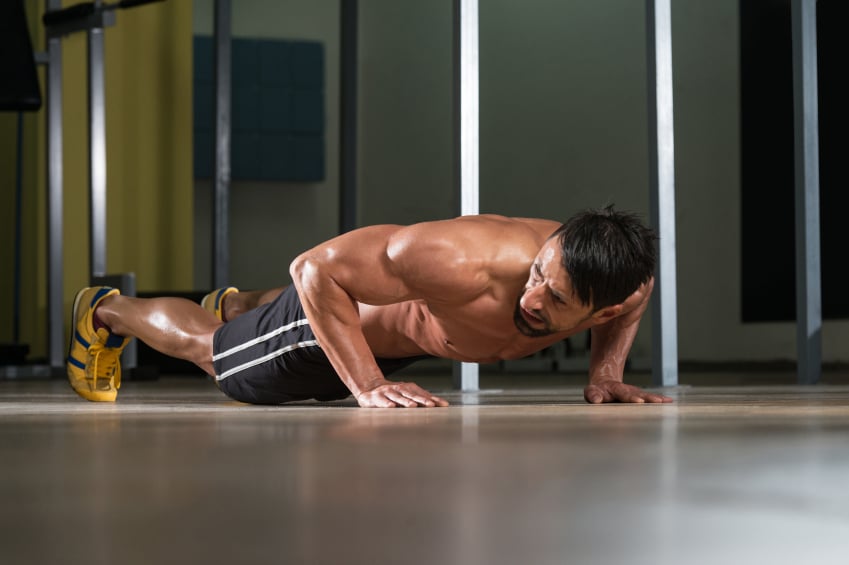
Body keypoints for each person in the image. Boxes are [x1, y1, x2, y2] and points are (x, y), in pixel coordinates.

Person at [66, 206, 673, 407]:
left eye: (557, 299)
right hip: (335, 332)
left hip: (400, 342)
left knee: (259, 321)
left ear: (602, 310)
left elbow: (632, 304)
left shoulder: (625, 284)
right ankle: (107, 311)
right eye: (538, 272)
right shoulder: (462, 259)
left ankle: (238, 306)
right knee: (221, 362)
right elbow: (314, 270)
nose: (531, 296)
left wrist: (605, 373)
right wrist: (367, 384)